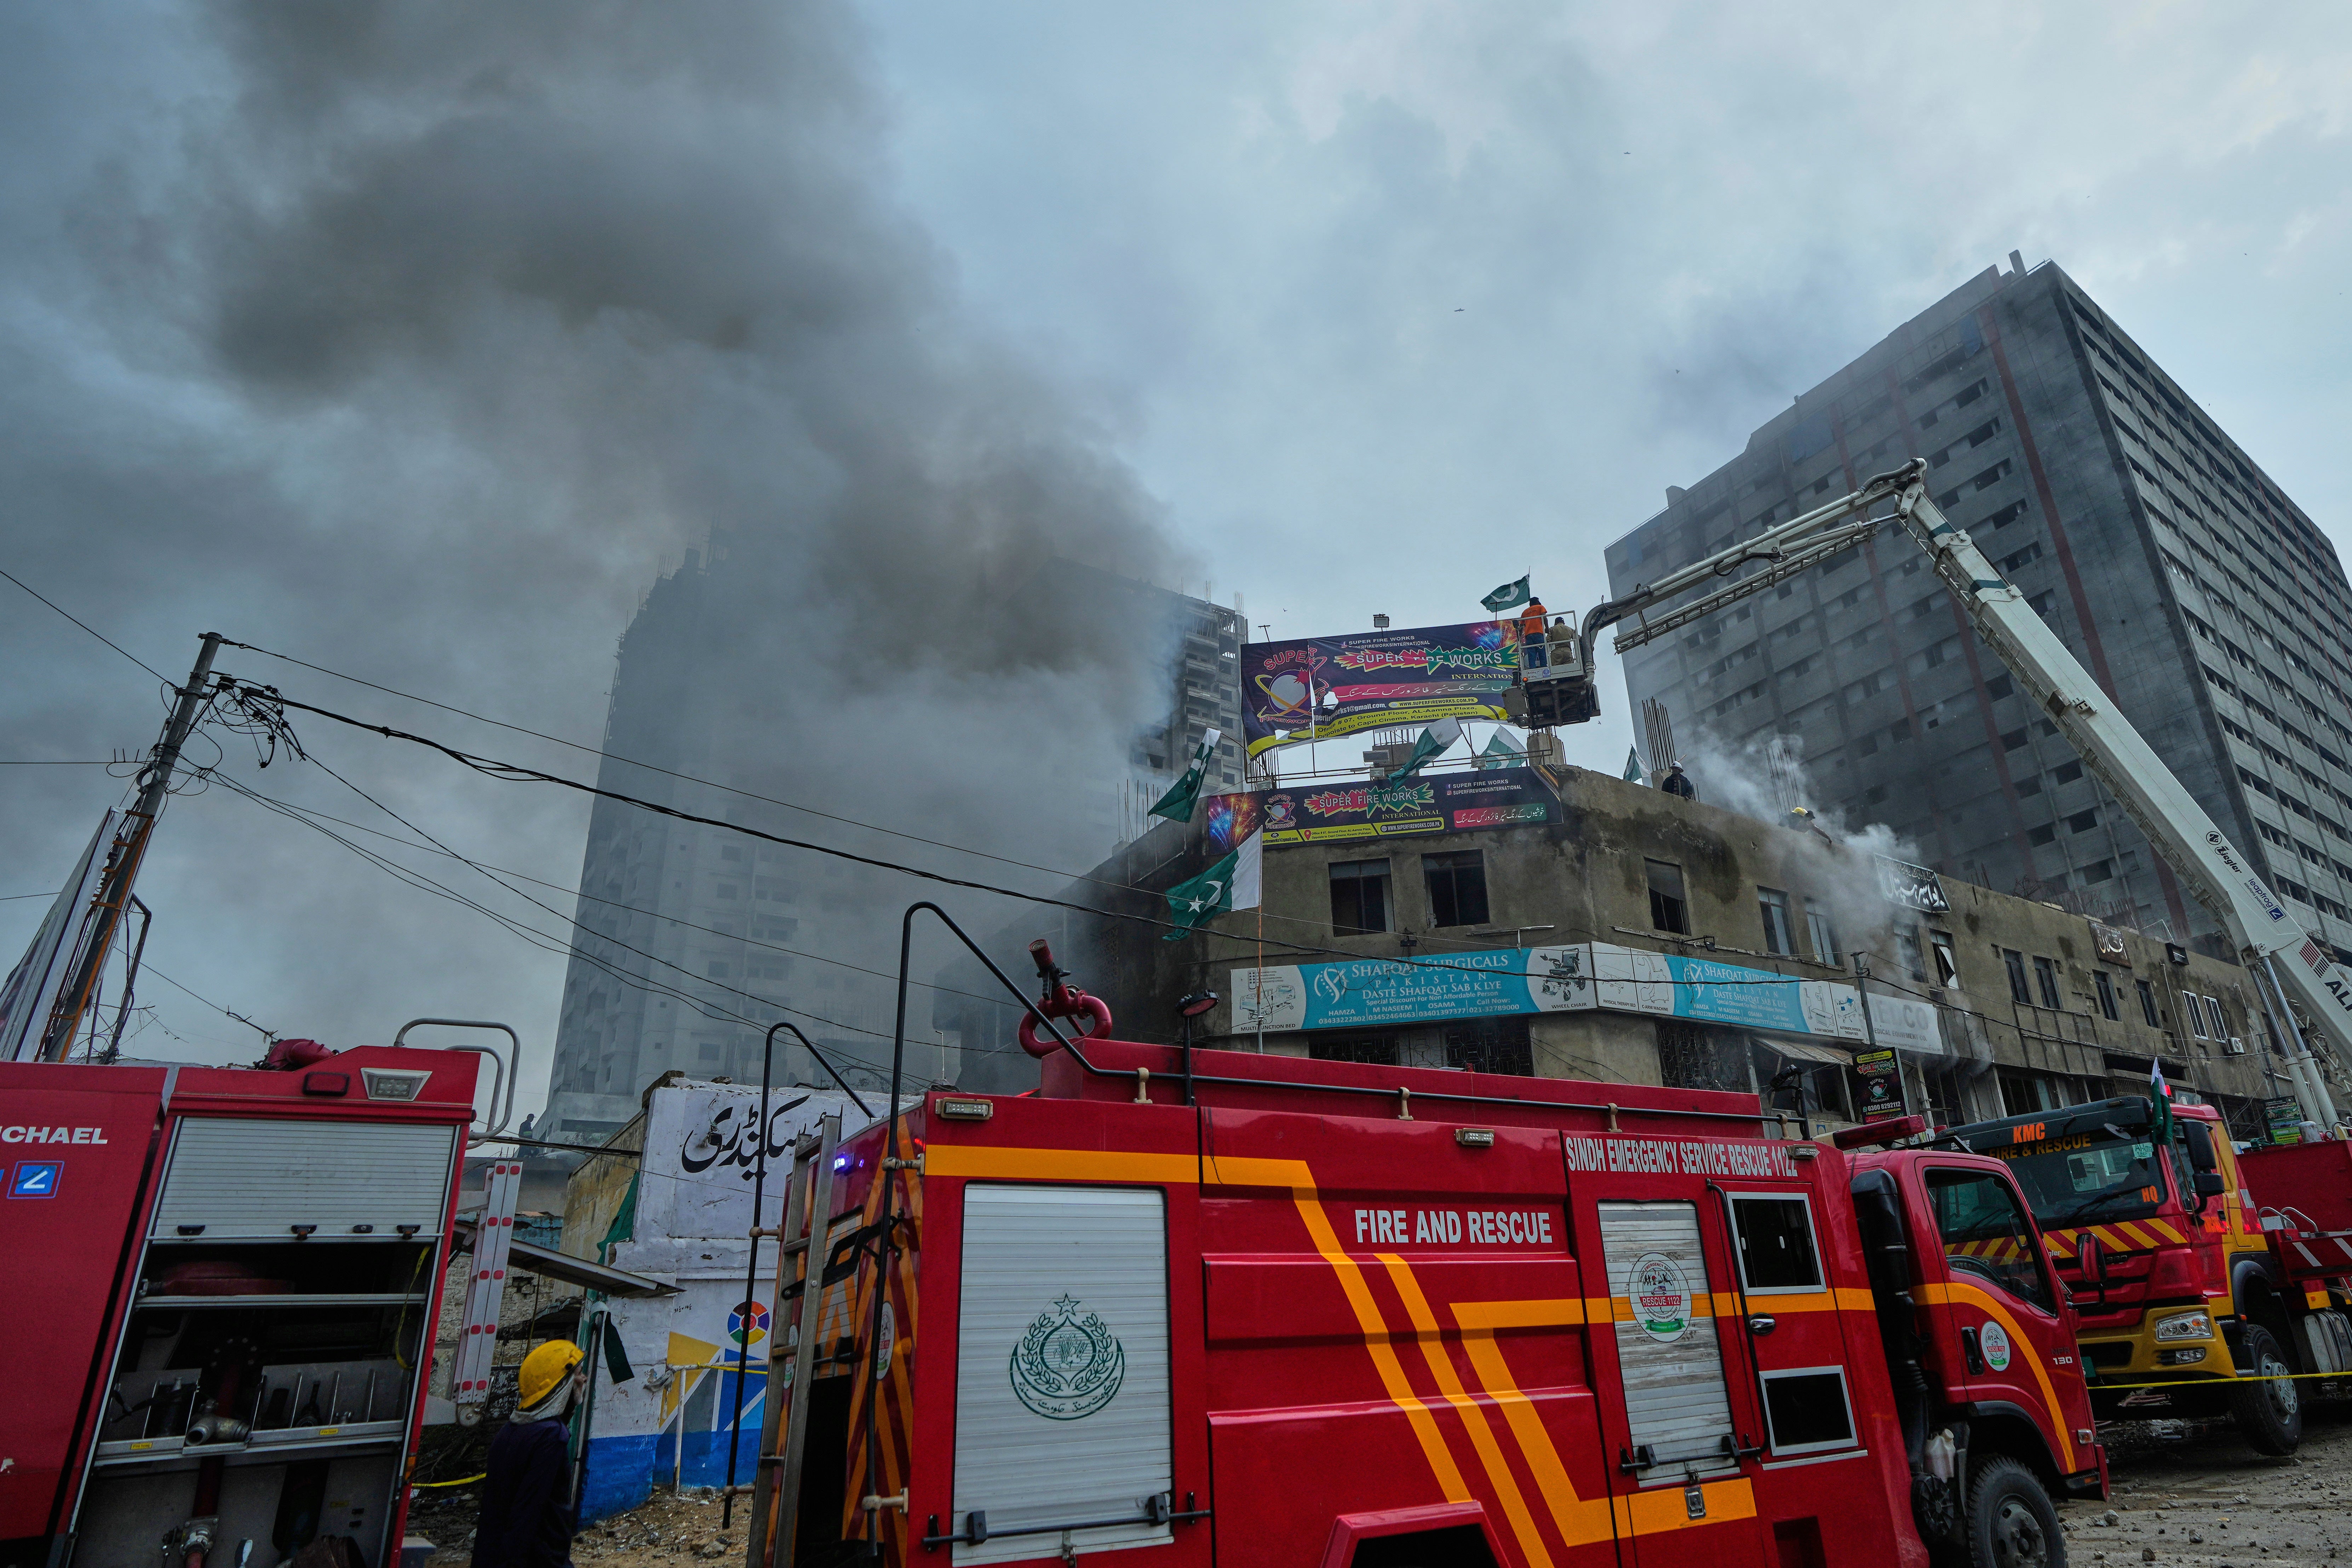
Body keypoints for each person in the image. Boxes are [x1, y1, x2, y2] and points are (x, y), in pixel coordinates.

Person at [473, 1341, 586, 1568]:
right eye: (579, 1373)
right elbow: (529, 1511)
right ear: (562, 1385)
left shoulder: (511, 1431)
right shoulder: (551, 1438)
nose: (584, 1380)